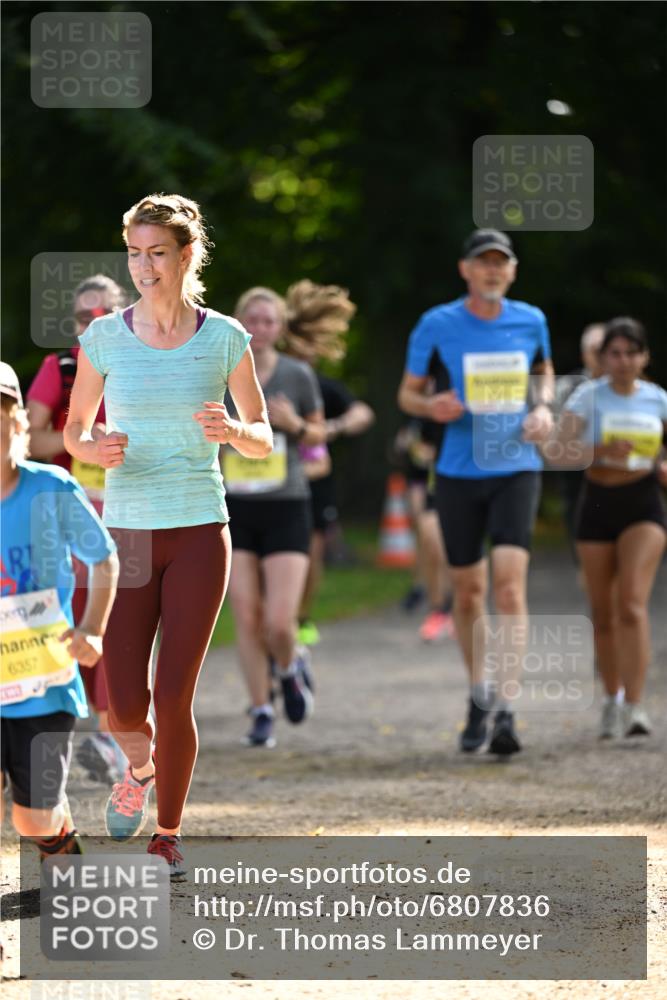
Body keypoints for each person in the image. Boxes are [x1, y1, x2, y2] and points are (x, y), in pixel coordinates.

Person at [64, 194, 272, 878]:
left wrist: (235, 431)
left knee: (173, 693)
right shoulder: (103, 337)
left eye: (157, 252)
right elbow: (73, 432)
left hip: (199, 531)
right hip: (125, 532)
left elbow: (263, 435)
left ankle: (169, 834)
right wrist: (97, 449)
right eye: (134, 253)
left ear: (187, 255)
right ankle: (141, 769)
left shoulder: (225, 337)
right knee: (123, 703)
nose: (144, 266)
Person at [398, 229, 554, 755]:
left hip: (516, 465)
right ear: (466, 270)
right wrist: (431, 407)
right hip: (460, 470)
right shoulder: (437, 323)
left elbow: (544, 370)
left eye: (501, 264)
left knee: (509, 586)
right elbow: (407, 393)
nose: (492, 271)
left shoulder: (530, 319)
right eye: (483, 263)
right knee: (468, 592)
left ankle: (507, 708)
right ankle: (478, 693)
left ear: (511, 272)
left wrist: (542, 407)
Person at [1, 362, 118, 859]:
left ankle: (58, 837)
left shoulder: (51, 488)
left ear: (21, 427)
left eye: (1, 419)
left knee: (33, 818)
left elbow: (105, 559)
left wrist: (92, 628)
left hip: (44, 682)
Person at [27, 274, 127, 785]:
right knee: (70, 618)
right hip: (69, 518)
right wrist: (84, 441)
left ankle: (111, 741)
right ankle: (46, 744)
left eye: (102, 316)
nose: (92, 325)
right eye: (83, 318)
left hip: (135, 513)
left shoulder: (141, 360)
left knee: (122, 623)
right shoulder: (61, 368)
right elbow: (28, 439)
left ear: (122, 312)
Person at [554, 317, 667, 739]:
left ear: (644, 357)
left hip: (643, 504)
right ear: (603, 359)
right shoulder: (588, 397)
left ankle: (637, 707)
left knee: (632, 604)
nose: (623, 361)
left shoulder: (657, 399)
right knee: (602, 613)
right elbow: (557, 451)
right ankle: (611, 699)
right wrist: (601, 449)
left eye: (631, 353)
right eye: (615, 354)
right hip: (598, 503)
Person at [222, 286, 325, 748]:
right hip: (233, 506)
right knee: (246, 613)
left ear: (280, 328)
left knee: (279, 622)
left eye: (269, 322)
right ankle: (261, 709)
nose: (260, 330)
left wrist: (295, 425)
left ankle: (289, 667)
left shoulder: (297, 375)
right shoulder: (218, 373)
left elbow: (319, 441)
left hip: (287, 506)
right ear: (238, 323)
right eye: (252, 320)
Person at [281, 279, 375, 645]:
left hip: (314, 482)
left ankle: (300, 617)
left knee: (311, 554)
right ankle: (278, 619)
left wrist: (329, 429)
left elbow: (363, 413)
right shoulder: (266, 379)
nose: (308, 355)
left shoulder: (324, 386)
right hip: (268, 484)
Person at [553, 323, 605, 560]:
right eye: (596, 349)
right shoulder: (568, 387)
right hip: (580, 482)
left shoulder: (634, 389)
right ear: (585, 353)